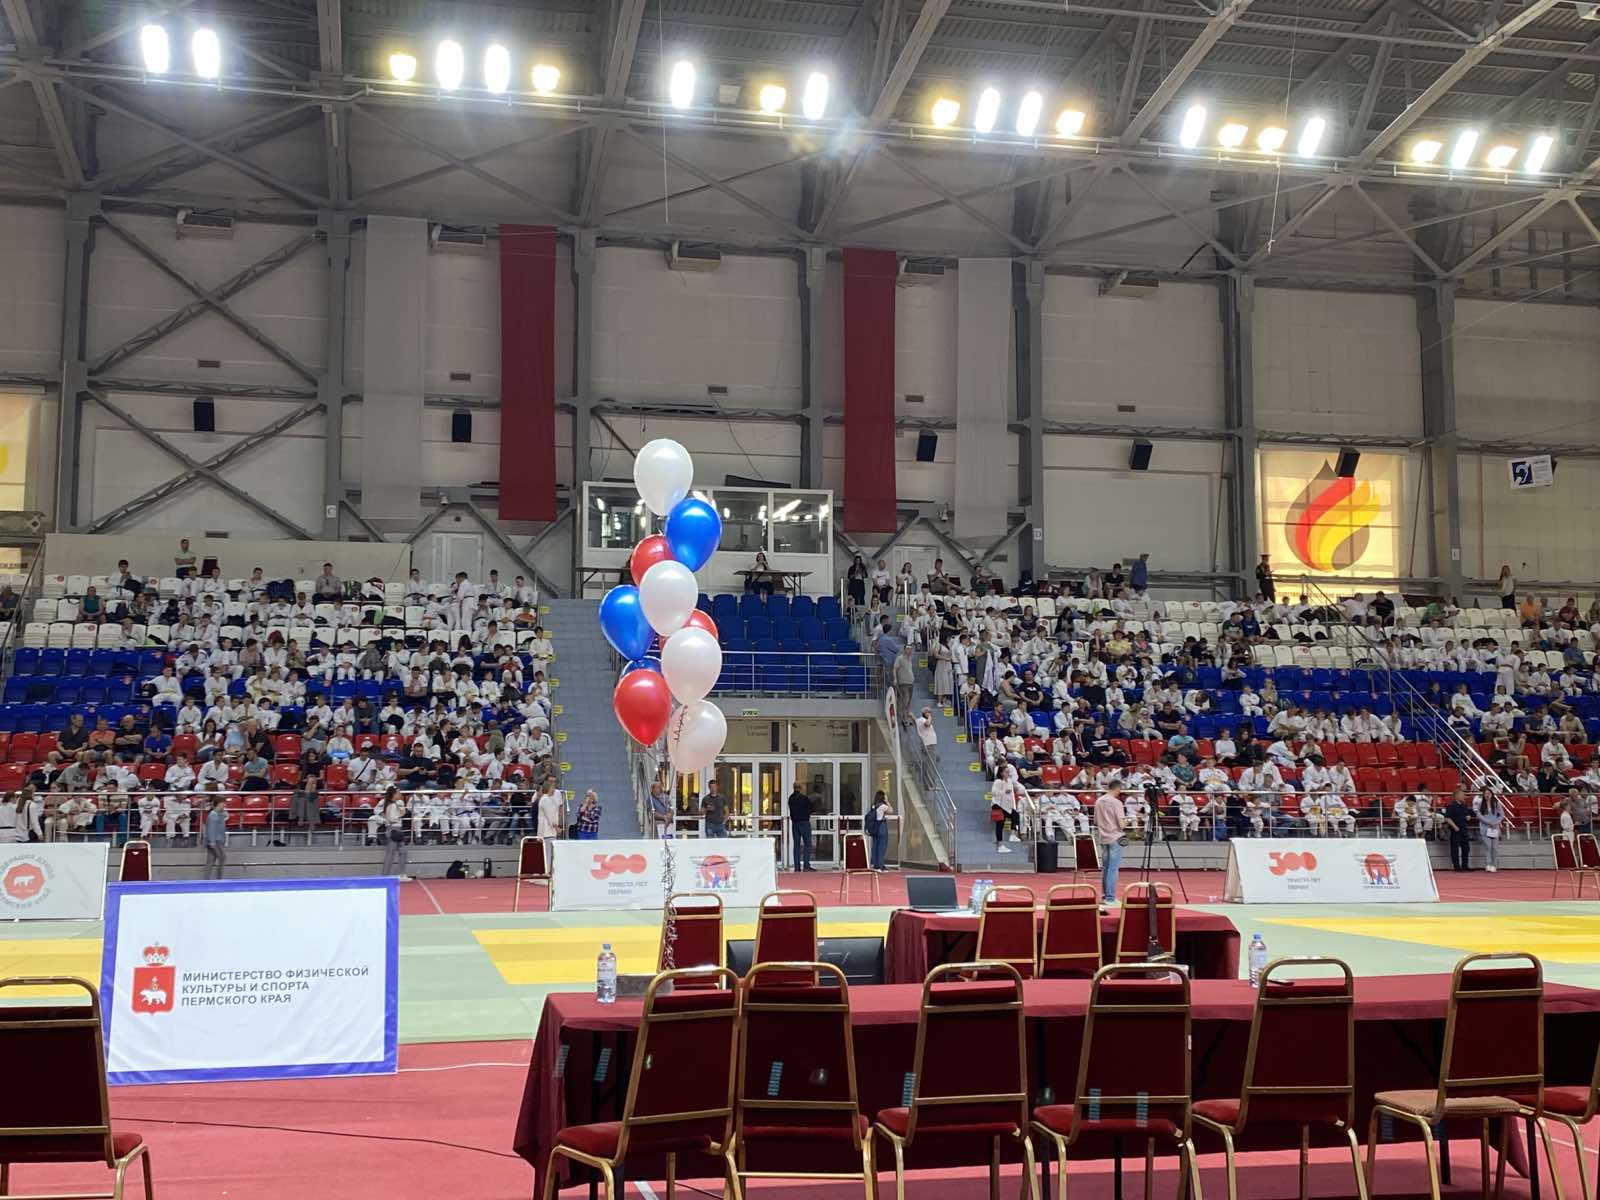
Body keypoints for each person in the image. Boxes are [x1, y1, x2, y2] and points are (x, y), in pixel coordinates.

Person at [1094, 781, 1127, 908]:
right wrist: (1129, 821)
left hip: (1103, 837)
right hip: (1115, 837)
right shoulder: (1117, 803)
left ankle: (1105, 896)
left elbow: (1095, 821)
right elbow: (1121, 824)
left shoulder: (1098, 801)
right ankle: (1110, 897)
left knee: (1106, 868)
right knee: (1113, 869)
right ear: (1117, 788)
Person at [378, 786, 408, 877]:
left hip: (397, 830)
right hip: (393, 830)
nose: (400, 794)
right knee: (391, 853)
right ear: (394, 794)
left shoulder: (394, 804)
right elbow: (391, 819)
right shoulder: (392, 805)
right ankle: (385, 875)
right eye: (398, 793)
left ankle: (401, 873)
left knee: (403, 851)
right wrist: (401, 814)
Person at [1441, 789, 1473, 872]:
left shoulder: (1464, 805)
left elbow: (1467, 814)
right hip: (1456, 830)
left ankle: (1465, 865)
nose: (1464, 797)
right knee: (1455, 849)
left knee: (1466, 848)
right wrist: (1455, 827)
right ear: (1456, 796)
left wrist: (1468, 817)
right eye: (1462, 795)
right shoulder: (1451, 806)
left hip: (1464, 829)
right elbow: (1447, 818)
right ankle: (1457, 866)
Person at [786, 783, 813, 871]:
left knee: (796, 845)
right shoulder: (804, 798)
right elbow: (811, 808)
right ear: (800, 788)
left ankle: (797, 867)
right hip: (804, 822)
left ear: (793, 788)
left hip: (795, 823)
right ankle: (806, 866)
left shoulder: (791, 798)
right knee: (807, 844)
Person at [202, 796, 228, 878]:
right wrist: (212, 841)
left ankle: (206, 879)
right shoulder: (213, 815)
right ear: (219, 804)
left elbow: (221, 826)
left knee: (211, 860)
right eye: (223, 803)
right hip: (215, 841)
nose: (225, 805)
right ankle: (219, 878)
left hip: (218, 840)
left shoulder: (219, 814)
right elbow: (211, 829)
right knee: (222, 857)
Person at [1478, 793, 1506, 873]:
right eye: (1485, 794)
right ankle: (1488, 864)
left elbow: (1501, 815)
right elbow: (1479, 815)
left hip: (1494, 828)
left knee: (1494, 848)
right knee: (1488, 847)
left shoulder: (1496, 803)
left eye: (1489, 793)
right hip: (1485, 828)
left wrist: (1495, 822)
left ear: (1492, 794)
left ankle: (1494, 865)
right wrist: (1488, 822)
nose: (1487, 795)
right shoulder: (1481, 804)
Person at [866, 789, 890, 870]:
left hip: (875, 827)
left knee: (875, 845)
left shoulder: (874, 806)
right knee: (882, 846)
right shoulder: (883, 806)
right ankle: (880, 865)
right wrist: (887, 801)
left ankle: (875, 864)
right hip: (881, 826)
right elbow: (891, 810)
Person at [916, 706, 939, 784]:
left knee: (933, 761)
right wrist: (929, 717)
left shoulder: (920, 720)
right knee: (931, 763)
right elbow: (927, 724)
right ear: (925, 713)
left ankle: (930, 781)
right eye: (928, 712)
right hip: (929, 744)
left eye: (930, 712)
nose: (930, 713)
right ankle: (931, 782)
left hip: (929, 743)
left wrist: (911, 716)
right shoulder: (923, 720)